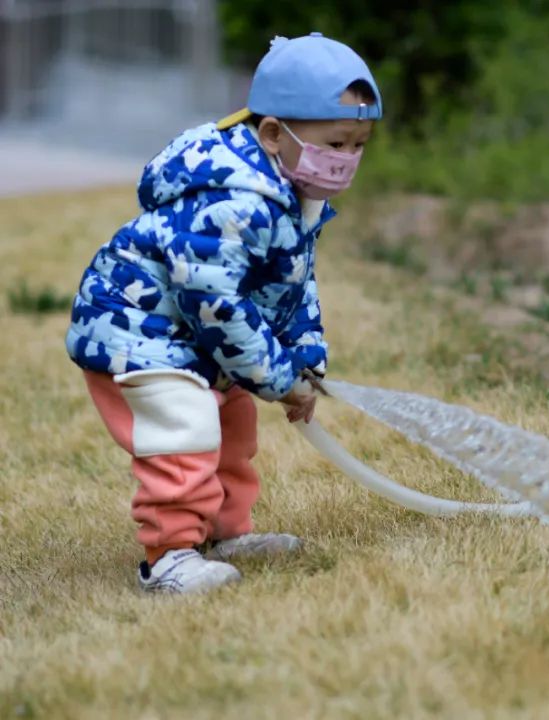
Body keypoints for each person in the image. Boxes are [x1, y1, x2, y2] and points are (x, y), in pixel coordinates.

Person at [65, 32, 381, 595]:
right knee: (183, 429)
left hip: (195, 337)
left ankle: (221, 532)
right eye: (336, 143)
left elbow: (289, 286)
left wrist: (305, 356)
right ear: (271, 134)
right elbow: (217, 303)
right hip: (140, 330)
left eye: (358, 145)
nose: (347, 159)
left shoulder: (294, 192)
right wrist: (277, 378)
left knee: (234, 427)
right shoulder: (234, 201)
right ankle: (167, 556)